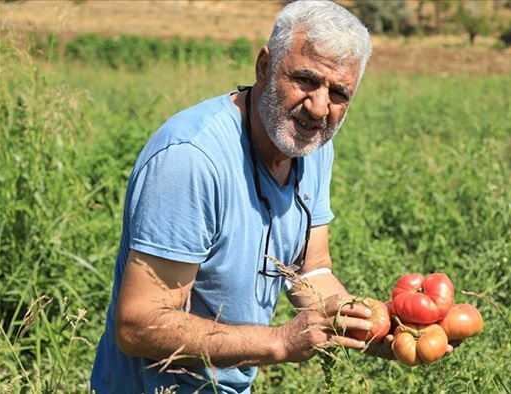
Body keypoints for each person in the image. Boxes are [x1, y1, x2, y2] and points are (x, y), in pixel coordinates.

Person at [90, 1, 388, 392]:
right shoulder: (192, 159)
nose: (318, 107)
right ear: (264, 66)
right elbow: (138, 323)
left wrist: (378, 331)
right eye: (305, 80)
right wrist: (281, 341)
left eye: (338, 93)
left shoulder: (311, 146)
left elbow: (311, 270)